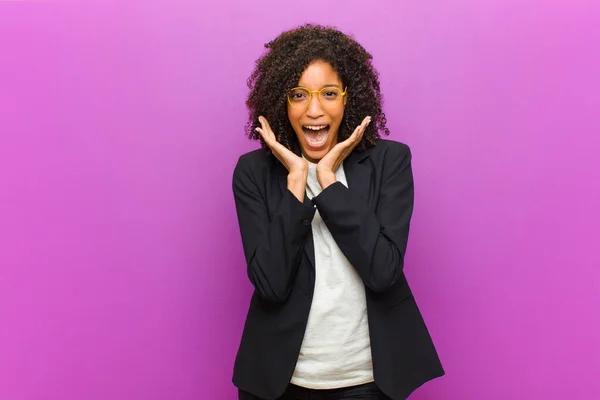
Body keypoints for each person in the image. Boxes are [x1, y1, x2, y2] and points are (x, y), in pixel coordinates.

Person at [232, 24, 444, 400]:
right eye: (299, 94)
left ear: (349, 99)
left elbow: (383, 272)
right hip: (280, 383)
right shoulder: (253, 173)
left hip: (367, 381)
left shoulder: (390, 162)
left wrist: (328, 181)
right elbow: (271, 284)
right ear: (282, 103)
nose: (314, 109)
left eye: (329, 93)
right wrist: (297, 180)